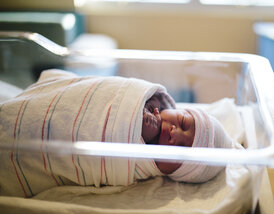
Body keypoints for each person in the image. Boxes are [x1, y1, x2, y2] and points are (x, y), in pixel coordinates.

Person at [0, 69, 233, 197]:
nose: (175, 134)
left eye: (182, 150)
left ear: (173, 172)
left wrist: (138, 126)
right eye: (182, 122)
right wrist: (137, 106)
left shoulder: (138, 167)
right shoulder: (151, 102)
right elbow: (111, 91)